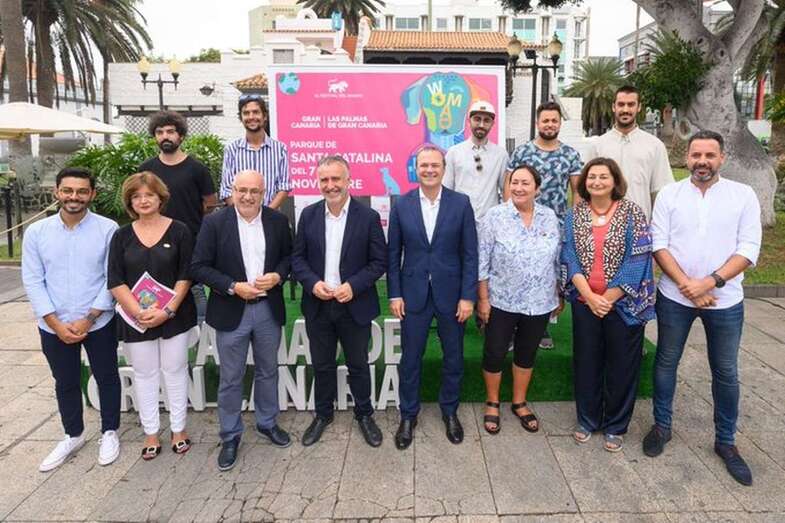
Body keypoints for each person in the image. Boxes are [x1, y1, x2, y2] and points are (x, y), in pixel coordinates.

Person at [644, 131, 761, 486]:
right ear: (687, 158)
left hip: (724, 300)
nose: (702, 162)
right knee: (666, 361)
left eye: (710, 155)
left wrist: (708, 283)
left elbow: (749, 247)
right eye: (696, 155)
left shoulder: (743, 195)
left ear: (722, 158)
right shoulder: (670, 194)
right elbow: (659, 244)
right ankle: (661, 426)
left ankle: (726, 442)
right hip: (675, 297)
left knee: (725, 371)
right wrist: (687, 285)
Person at [191, 169, 293, 471]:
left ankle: (266, 422)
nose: (247, 196)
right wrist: (233, 286)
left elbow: (290, 258)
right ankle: (231, 434)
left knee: (268, 370)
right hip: (230, 308)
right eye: (242, 190)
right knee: (231, 376)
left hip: (267, 309)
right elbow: (198, 267)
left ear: (264, 193)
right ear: (231, 191)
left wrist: (278, 275)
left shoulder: (277, 221)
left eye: (255, 191)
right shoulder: (214, 223)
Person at [22, 167, 122, 472]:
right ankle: (73, 434)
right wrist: (55, 324)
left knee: (106, 377)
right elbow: (33, 280)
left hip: (98, 320)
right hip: (53, 324)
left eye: (81, 191)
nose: (74, 197)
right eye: (68, 190)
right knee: (64, 381)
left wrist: (89, 319)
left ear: (92, 194)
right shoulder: (37, 233)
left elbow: (112, 277)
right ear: (57, 192)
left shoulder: (108, 229)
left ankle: (110, 432)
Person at [561, 157, 655, 452]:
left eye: (603, 177)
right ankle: (587, 419)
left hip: (624, 304)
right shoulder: (574, 215)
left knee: (622, 365)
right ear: (583, 183)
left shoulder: (631, 213)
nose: (596, 182)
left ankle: (616, 425)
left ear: (615, 181)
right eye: (591, 177)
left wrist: (610, 297)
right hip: (585, 301)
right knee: (587, 361)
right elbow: (568, 255)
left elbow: (638, 257)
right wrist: (589, 296)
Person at [291, 155, 387, 447]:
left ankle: (364, 414)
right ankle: (323, 414)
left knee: (358, 363)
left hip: (353, 304)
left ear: (348, 180)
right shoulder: (307, 215)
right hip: (319, 304)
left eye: (336, 179)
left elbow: (379, 261)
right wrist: (313, 283)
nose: (330, 185)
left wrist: (353, 286)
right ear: (318, 182)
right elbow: (298, 259)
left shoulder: (368, 217)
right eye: (324, 180)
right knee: (322, 364)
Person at [387, 146, 478, 450]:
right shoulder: (401, 204)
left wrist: (468, 297)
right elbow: (392, 253)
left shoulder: (461, 204)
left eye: (434, 165)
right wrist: (395, 293)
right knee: (411, 359)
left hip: (452, 296)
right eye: (423, 165)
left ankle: (449, 412)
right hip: (413, 295)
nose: (429, 170)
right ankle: (408, 415)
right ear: (416, 168)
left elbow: (470, 254)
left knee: (453, 358)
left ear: (443, 168)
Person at [108, 172, 197, 460]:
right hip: (136, 321)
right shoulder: (121, 236)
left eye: (149, 195)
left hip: (175, 316)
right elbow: (115, 280)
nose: (143, 200)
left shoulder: (180, 230)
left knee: (175, 371)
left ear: (160, 197)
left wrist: (167, 310)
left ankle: (179, 429)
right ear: (130, 202)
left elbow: (186, 274)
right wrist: (138, 312)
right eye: (136, 196)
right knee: (145, 375)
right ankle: (150, 432)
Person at [477, 165, 562, 434]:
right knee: (494, 351)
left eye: (525, 183)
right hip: (501, 299)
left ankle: (519, 402)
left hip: (539, 301)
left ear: (537, 188)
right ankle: (492, 402)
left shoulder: (549, 217)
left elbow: (557, 257)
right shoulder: (495, 216)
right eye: (514, 182)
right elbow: (482, 259)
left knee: (527, 352)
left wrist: (559, 291)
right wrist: (483, 298)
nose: (519, 188)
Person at [505, 101, 584, 350]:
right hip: (521, 223)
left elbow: (577, 193)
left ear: (560, 123)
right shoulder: (522, 153)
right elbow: (510, 185)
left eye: (554, 120)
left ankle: (541, 326)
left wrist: (575, 224)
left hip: (554, 226)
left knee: (547, 275)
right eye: (545, 120)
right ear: (537, 123)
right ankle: (512, 325)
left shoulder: (570, 154)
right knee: (517, 271)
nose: (549, 124)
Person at [139, 110, 217, 324]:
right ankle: (155, 322)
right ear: (155, 136)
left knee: (195, 288)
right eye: (160, 132)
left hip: (190, 240)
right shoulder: (147, 169)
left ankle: (201, 334)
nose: (165, 136)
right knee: (156, 286)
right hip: (153, 240)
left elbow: (210, 202)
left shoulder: (197, 169)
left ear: (180, 135)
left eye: (171, 131)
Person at [588, 85, 673, 220]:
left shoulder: (655, 146)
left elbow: (661, 192)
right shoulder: (598, 145)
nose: (625, 109)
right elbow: (588, 189)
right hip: (603, 226)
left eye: (631, 104)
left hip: (640, 229)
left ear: (638, 107)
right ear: (613, 107)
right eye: (621, 104)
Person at [219, 95, 290, 209]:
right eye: (246, 113)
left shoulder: (280, 149)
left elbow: (284, 187)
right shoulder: (232, 149)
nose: (251, 117)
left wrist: (265, 215)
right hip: (239, 219)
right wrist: (243, 214)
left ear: (265, 116)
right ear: (241, 117)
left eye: (256, 112)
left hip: (270, 218)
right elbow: (226, 190)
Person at [443, 100, 509, 222]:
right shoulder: (454, 152)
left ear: (492, 123)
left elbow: (506, 190)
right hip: (459, 220)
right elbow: (446, 190)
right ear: (469, 121)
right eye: (477, 119)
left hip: (490, 222)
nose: (481, 125)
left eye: (486, 120)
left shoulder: (501, 155)